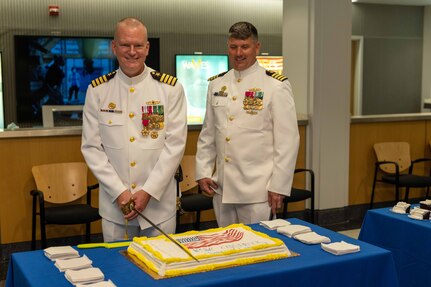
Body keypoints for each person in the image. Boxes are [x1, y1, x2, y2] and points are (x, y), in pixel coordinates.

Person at [81, 17, 187, 242]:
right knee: (118, 272)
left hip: (159, 207)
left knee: (161, 271)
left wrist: (147, 191)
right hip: (115, 208)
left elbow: (175, 146)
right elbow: (91, 148)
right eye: (125, 45)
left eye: (138, 45)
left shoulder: (170, 88)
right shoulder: (98, 91)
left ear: (147, 48)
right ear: (114, 47)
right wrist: (120, 192)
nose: (132, 52)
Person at [195, 21, 300, 227]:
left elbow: (287, 141)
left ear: (257, 47)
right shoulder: (217, 84)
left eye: (245, 47)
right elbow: (208, 133)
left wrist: (278, 185)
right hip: (222, 187)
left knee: (259, 251)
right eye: (233, 47)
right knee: (227, 247)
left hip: (257, 191)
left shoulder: (275, 85)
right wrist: (203, 172)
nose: (239, 53)